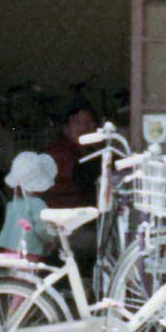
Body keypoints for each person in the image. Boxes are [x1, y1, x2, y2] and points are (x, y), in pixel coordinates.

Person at [42, 104, 99, 264]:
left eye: (89, 123)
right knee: (98, 242)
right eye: (78, 122)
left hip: (74, 217)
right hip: (62, 221)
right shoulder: (60, 152)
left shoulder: (85, 151)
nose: (84, 128)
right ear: (65, 127)